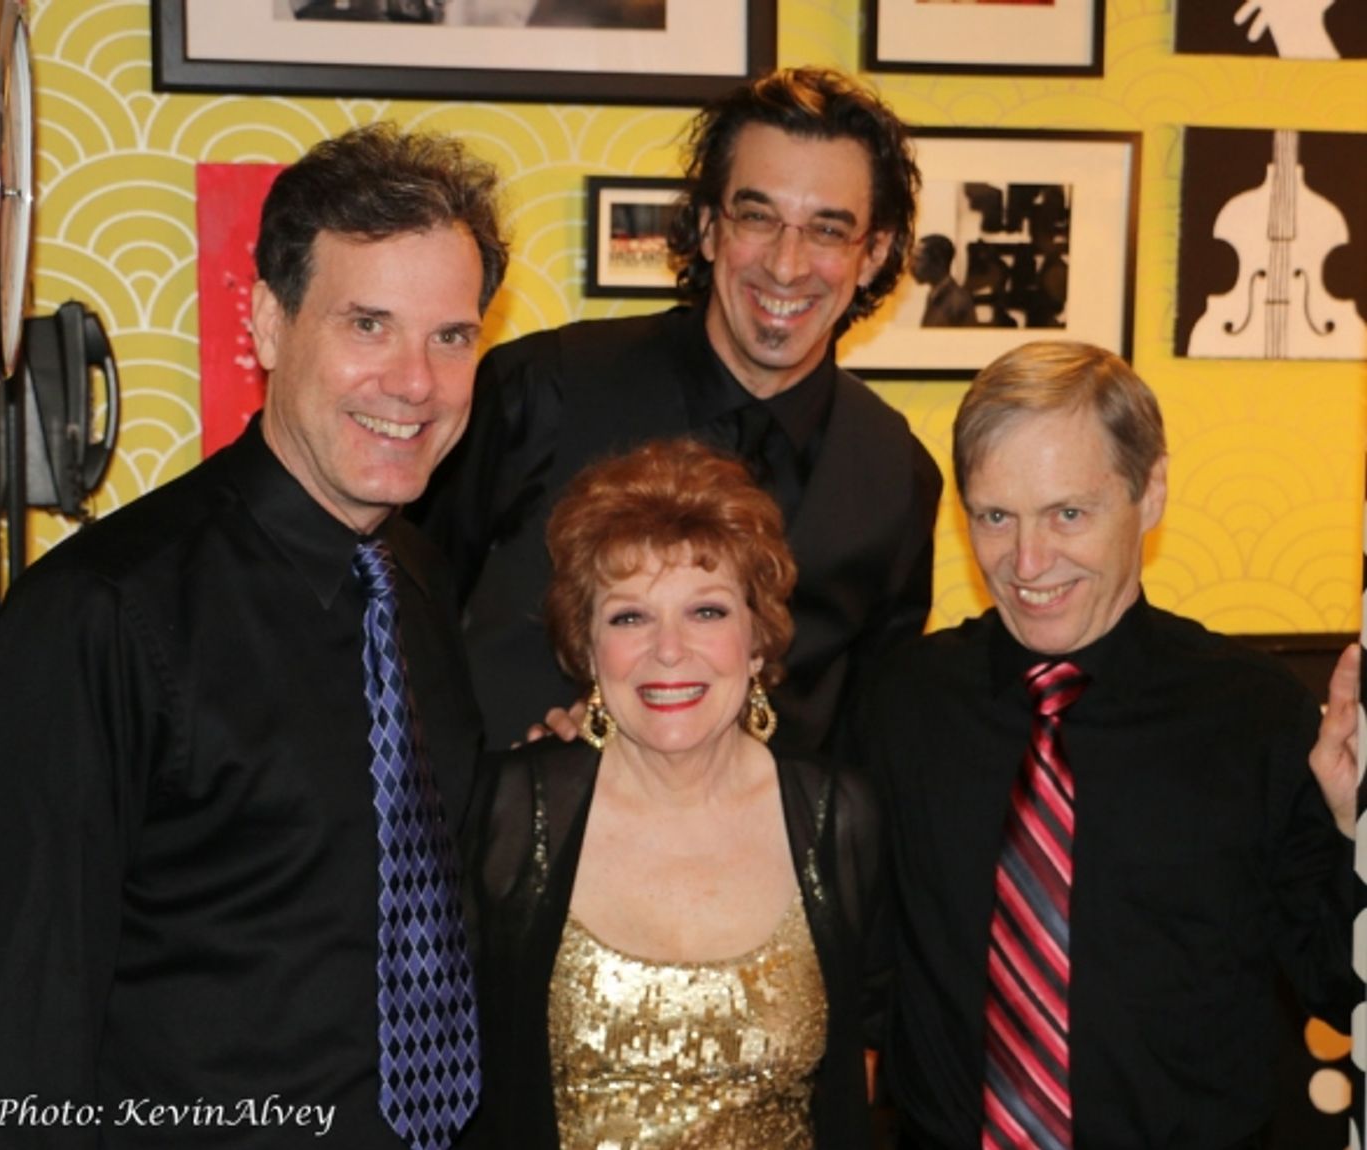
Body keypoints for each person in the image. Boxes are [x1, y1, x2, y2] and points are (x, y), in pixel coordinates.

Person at [0, 123, 509, 1148]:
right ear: (267, 322)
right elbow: (11, 1033)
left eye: (450, 336)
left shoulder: (424, 583)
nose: (415, 382)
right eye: (368, 325)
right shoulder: (99, 614)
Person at [863, 340, 1358, 1149]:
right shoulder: (904, 703)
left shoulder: (1256, 717)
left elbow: (1344, 989)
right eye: (995, 516)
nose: (1027, 563)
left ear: (1150, 492)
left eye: (1068, 514)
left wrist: (1354, 828)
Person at [410, 66, 943, 753]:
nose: (786, 265)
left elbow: (871, 739)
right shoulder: (541, 388)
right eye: (757, 217)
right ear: (709, 227)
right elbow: (400, 621)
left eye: (828, 230)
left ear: (874, 254)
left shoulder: (898, 477)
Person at [461, 438, 887, 1149]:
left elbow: (869, 1058)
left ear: (757, 640)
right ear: (588, 648)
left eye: (707, 612)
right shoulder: (507, 814)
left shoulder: (837, 818)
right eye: (630, 617)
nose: (668, 650)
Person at [911, 234, 977, 328]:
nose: (911, 266)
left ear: (939, 263)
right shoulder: (935, 295)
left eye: (918, 259)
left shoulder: (957, 302)